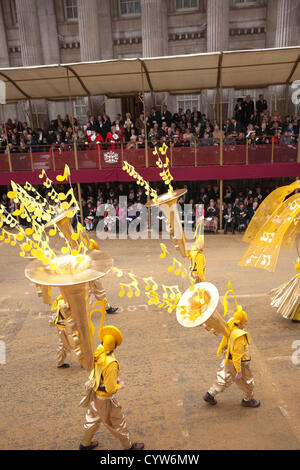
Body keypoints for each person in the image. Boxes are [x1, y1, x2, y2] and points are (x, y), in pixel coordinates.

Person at [79, 325, 144, 450]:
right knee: (119, 422)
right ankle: (129, 447)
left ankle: (84, 445)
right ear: (114, 346)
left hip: (95, 394)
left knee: (92, 420)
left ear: (103, 342)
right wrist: (120, 385)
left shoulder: (99, 350)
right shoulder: (111, 364)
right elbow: (110, 389)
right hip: (106, 400)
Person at [203, 307, 260, 408]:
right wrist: (238, 371)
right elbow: (237, 356)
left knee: (223, 377)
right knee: (248, 383)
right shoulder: (239, 337)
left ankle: (210, 394)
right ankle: (248, 400)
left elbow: (217, 327)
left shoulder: (231, 322)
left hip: (227, 358)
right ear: (240, 322)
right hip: (238, 363)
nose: (247, 322)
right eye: (245, 321)